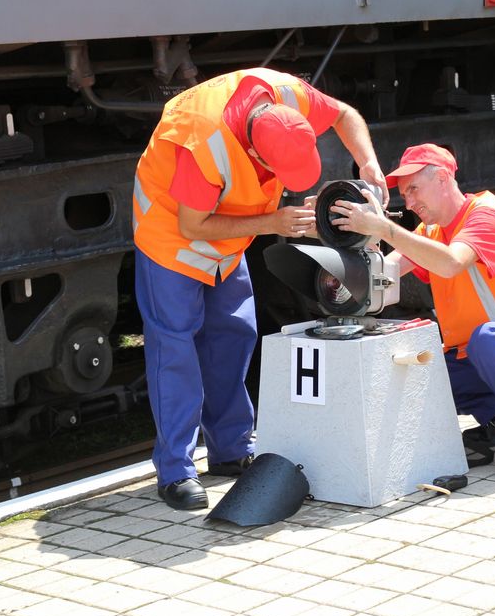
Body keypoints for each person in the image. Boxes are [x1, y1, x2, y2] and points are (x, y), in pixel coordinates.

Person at [132, 66, 387, 510]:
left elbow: (345, 113)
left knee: (234, 337)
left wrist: (368, 162)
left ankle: (230, 450)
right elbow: (192, 224)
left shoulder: (285, 95)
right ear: (255, 150)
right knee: (175, 351)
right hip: (171, 242)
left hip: (227, 241)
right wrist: (273, 222)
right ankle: (176, 471)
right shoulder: (203, 139)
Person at [328, 143, 495, 479]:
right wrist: (347, 252)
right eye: (405, 194)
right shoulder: (432, 231)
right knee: (422, 377)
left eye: (415, 189)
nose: (411, 202)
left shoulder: (486, 216)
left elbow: (450, 263)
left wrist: (384, 229)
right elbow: (386, 273)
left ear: (445, 178)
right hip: (494, 353)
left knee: (487, 339)